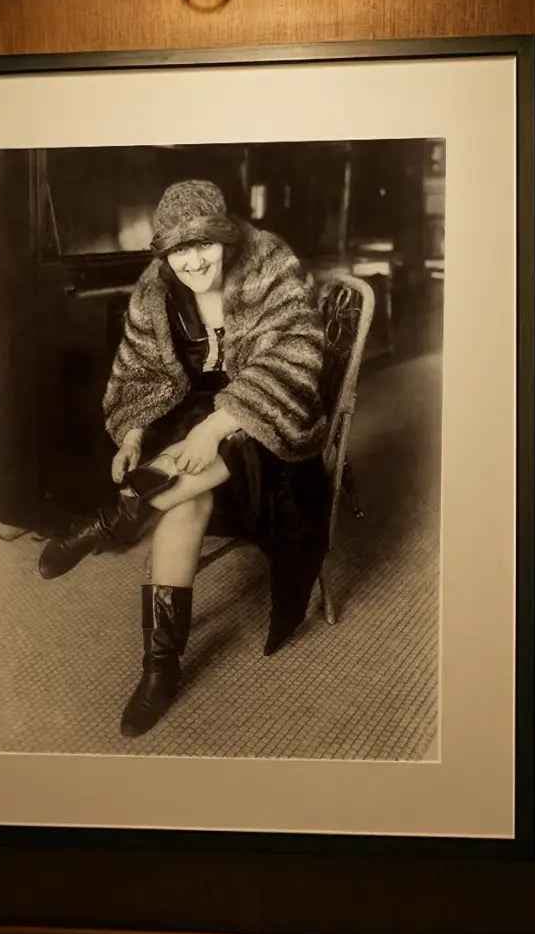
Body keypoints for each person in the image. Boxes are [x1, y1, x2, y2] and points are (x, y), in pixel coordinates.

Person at [36, 178, 331, 738]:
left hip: (275, 434)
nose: (192, 262)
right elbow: (139, 371)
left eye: (203, 246)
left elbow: (296, 354)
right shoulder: (156, 290)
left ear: (226, 238)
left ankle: (110, 521)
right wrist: (131, 434)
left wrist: (221, 423)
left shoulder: (270, 263)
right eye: (178, 250)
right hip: (196, 432)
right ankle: (160, 670)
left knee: (229, 444)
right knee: (183, 507)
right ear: (164, 253)